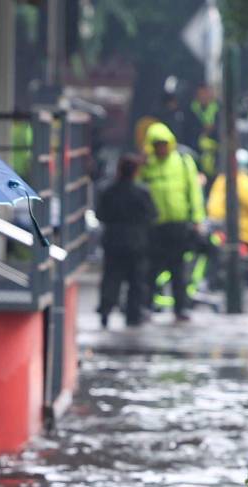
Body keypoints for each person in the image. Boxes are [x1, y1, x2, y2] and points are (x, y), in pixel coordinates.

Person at [137, 123, 206, 322]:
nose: (161, 148)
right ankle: (146, 306)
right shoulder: (146, 166)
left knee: (178, 270)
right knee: (150, 270)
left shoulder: (183, 162)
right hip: (154, 227)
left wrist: (198, 219)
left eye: (164, 144)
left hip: (178, 225)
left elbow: (194, 192)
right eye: (157, 144)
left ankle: (181, 308)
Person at [96, 154, 158, 328]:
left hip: (113, 241)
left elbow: (100, 214)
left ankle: (106, 310)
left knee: (111, 278)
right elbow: (152, 215)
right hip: (137, 242)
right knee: (136, 280)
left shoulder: (108, 191)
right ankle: (133, 315)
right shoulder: (142, 192)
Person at [185, 84, 221, 179]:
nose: (203, 96)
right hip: (196, 153)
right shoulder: (191, 110)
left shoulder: (219, 109)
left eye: (205, 93)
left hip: (216, 156)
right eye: (200, 94)